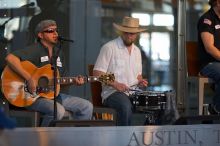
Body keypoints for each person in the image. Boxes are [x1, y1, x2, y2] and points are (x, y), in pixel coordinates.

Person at [5, 20, 93, 126]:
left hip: (53, 95)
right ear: (40, 35)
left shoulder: (59, 53)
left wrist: (74, 81)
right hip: (31, 96)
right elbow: (10, 58)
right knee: (58, 111)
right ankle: (44, 140)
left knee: (86, 106)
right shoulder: (35, 49)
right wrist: (29, 78)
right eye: (50, 31)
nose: (55, 33)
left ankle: (77, 139)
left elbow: (61, 79)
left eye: (56, 30)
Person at [93, 16, 148, 126]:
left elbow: (138, 76)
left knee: (157, 106)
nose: (129, 36)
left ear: (136, 35)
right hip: (112, 93)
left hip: (133, 92)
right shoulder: (109, 47)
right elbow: (97, 73)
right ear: (121, 32)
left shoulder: (137, 51)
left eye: (132, 33)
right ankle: (124, 140)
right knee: (125, 106)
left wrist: (141, 81)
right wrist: (115, 84)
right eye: (126, 32)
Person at [197, 0, 220, 114]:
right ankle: (216, 107)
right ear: (218, 3)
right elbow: (209, 48)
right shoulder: (207, 19)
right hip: (209, 64)